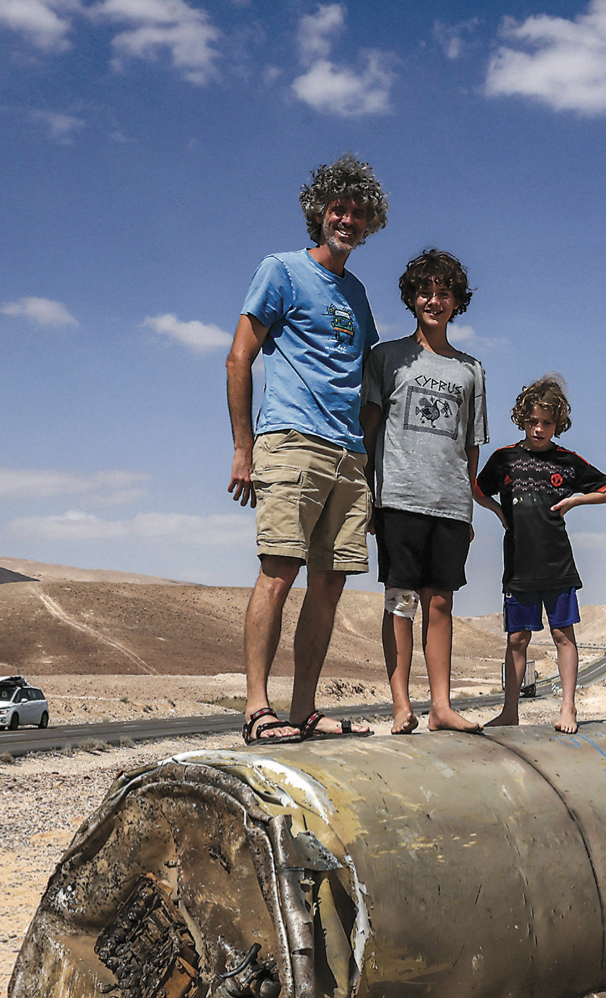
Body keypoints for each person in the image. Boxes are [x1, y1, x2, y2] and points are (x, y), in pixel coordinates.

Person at [226, 155, 386, 744]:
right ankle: (255, 709)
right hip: (292, 441)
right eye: (338, 209)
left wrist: (367, 451)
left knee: (330, 583)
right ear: (319, 213)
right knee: (278, 572)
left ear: (369, 225)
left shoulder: (359, 294)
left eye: (358, 213)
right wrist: (244, 448)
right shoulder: (283, 271)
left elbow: (368, 378)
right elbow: (239, 356)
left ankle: (303, 709)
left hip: (349, 456)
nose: (347, 219)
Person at [361, 249, 491, 735]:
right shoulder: (386, 357)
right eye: (425, 291)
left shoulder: (472, 370)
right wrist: (368, 497)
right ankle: (401, 704)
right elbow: (369, 432)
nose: (434, 300)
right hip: (398, 497)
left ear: (457, 301)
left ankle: (441, 706)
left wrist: (469, 508)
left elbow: (469, 446)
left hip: (450, 504)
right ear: (411, 298)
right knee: (400, 600)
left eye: (444, 293)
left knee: (441, 602)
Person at [475, 374, 606, 734]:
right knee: (517, 639)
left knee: (563, 635)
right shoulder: (504, 459)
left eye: (547, 423)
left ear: (558, 424)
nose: (539, 429)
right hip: (519, 564)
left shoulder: (567, 462)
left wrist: (575, 499)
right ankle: (510, 710)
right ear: (522, 419)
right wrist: (498, 512)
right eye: (533, 421)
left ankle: (568, 708)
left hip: (557, 563)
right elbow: (477, 490)